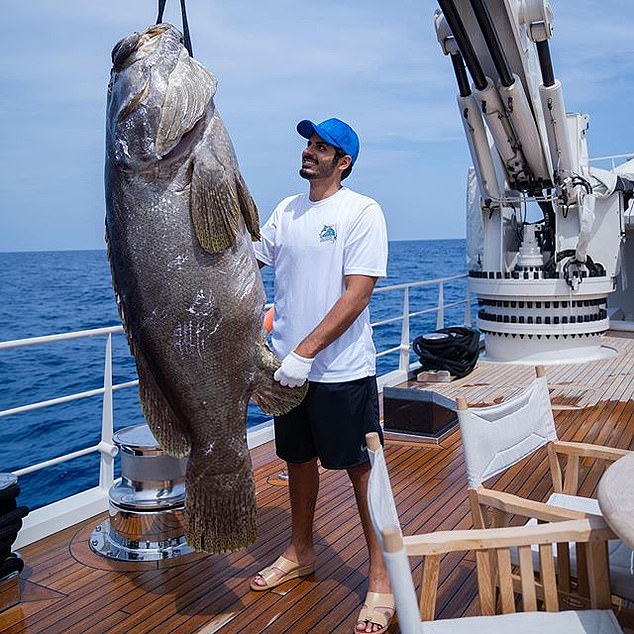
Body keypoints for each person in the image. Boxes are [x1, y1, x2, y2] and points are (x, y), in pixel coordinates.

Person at [250, 117, 392, 634]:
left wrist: (306, 352)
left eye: (322, 147)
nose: (310, 152)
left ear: (343, 161)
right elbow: (248, 261)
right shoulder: (286, 210)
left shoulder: (361, 212)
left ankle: (380, 578)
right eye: (309, 144)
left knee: (360, 470)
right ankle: (301, 551)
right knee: (297, 461)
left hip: (340, 371)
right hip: (287, 371)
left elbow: (357, 293)